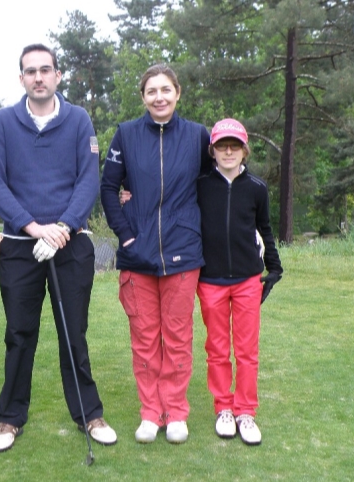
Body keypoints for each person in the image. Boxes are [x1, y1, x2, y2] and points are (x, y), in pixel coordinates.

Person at [0, 44, 117, 453]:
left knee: (73, 333)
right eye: (30, 71)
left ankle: (89, 414)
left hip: (70, 246)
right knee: (19, 334)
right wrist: (33, 226)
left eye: (45, 70)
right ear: (21, 78)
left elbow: (88, 181)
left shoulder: (78, 120)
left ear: (58, 75)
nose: (38, 77)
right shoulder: (4, 122)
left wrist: (61, 227)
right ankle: (10, 419)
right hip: (21, 247)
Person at [100, 64, 211, 444]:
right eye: (151, 91)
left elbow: (219, 183)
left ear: (178, 93)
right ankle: (151, 413)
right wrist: (127, 236)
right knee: (145, 338)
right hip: (138, 257)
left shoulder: (199, 136)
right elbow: (108, 190)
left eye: (166, 89)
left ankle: (176, 411)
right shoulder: (125, 135)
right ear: (143, 97)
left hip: (183, 254)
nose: (159, 97)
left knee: (178, 338)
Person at [196, 118, 283, 446]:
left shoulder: (257, 187)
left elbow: (265, 228)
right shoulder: (201, 184)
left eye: (234, 145)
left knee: (247, 350)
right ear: (213, 150)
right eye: (221, 145)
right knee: (217, 349)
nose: (228, 151)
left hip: (248, 279)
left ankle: (246, 411)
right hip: (210, 280)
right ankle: (224, 409)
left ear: (244, 150)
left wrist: (273, 266)